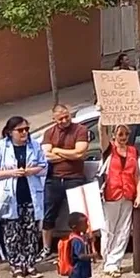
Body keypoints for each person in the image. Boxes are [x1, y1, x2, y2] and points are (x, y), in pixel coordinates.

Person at [0, 116, 48, 278]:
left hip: (30, 193)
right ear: (10, 132)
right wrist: (11, 173)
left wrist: (31, 171)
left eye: (26, 130)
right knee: (12, 233)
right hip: (10, 195)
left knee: (30, 231)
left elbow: (44, 167)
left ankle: (30, 264)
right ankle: (16, 266)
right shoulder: (1, 147)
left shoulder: (34, 145)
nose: (24, 133)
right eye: (20, 130)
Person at [41, 105, 89, 260]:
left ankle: (81, 246)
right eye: (60, 118)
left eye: (66, 116)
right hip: (54, 179)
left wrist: (57, 150)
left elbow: (80, 153)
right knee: (48, 214)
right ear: (54, 119)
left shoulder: (80, 130)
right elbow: (46, 156)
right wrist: (70, 154)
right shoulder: (49, 133)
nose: (64, 120)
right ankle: (46, 248)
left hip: (74, 177)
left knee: (78, 215)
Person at [100, 125, 140, 277]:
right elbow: (101, 132)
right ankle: (108, 260)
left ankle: (114, 262)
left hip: (128, 193)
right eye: (120, 134)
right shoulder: (109, 149)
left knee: (123, 230)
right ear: (114, 135)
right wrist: (102, 116)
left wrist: (139, 194)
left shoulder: (133, 151)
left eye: (126, 134)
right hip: (112, 193)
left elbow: (136, 174)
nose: (123, 137)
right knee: (109, 229)